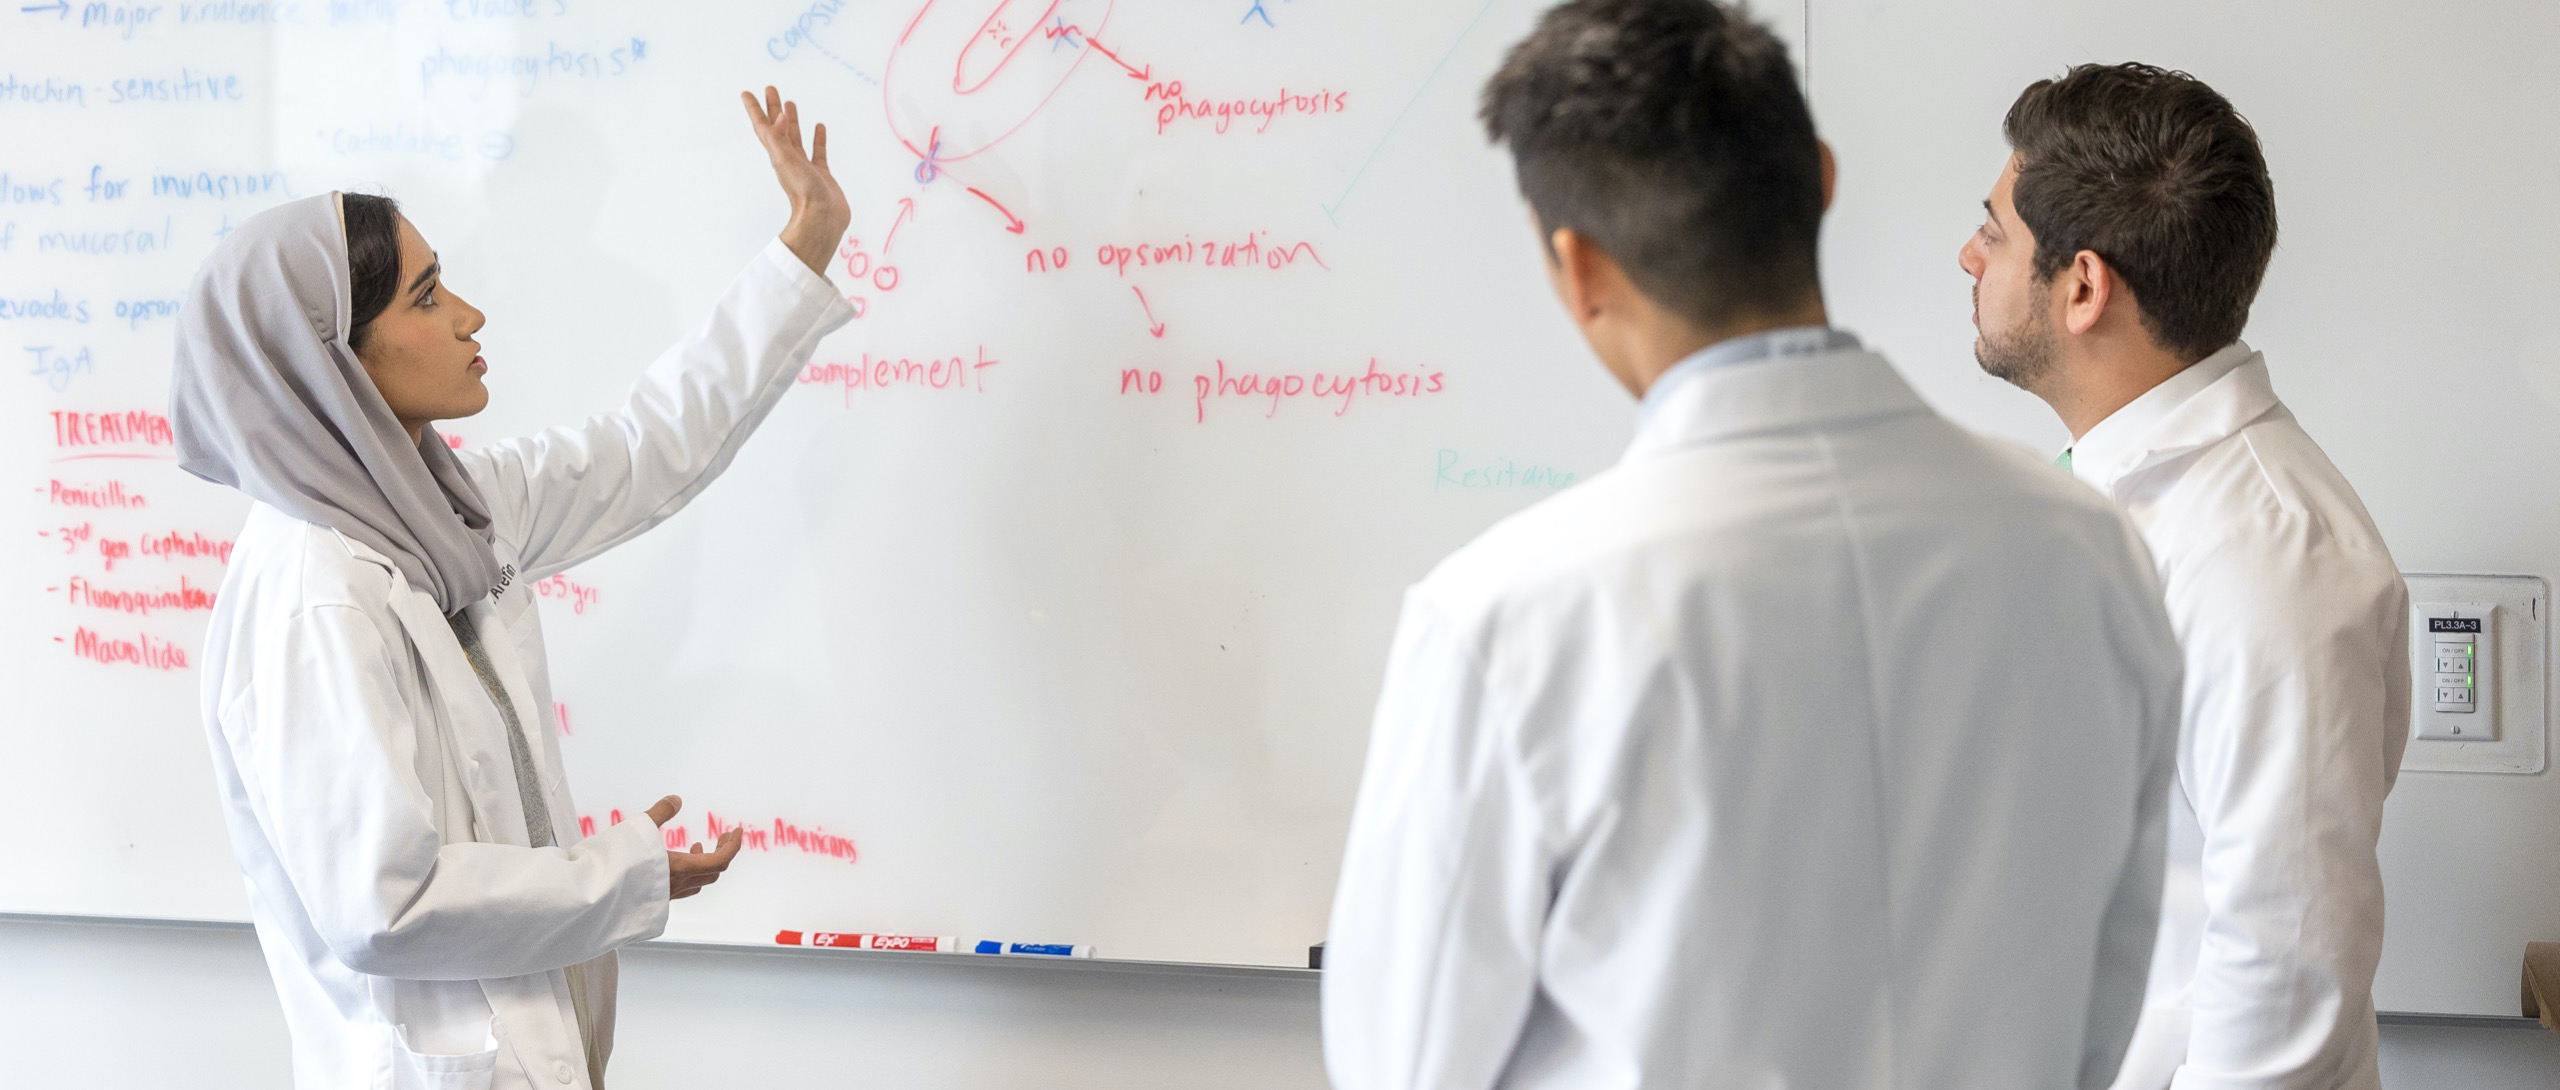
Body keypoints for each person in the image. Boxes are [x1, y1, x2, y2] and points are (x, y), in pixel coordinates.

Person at [1321, 3, 2185, 1087]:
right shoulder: (2090, 553)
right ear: (1820, 179)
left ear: (1577, 269)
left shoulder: (1507, 620)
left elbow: (1407, 1065)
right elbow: (2106, 1013)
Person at [172, 88, 853, 1090]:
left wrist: (805, 245)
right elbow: (383, 903)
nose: (469, 316)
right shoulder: (314, 592)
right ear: (332, 359)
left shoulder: (444, 509)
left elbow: (647, 449)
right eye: (427, 296)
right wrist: (622, 876)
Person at [1957, 63, 2411, 1090]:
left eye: (1992, 231)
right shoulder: (2117, 492)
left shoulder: (2269, 558)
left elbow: (2285, 986)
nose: (1967, 255)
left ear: (2081, 285)